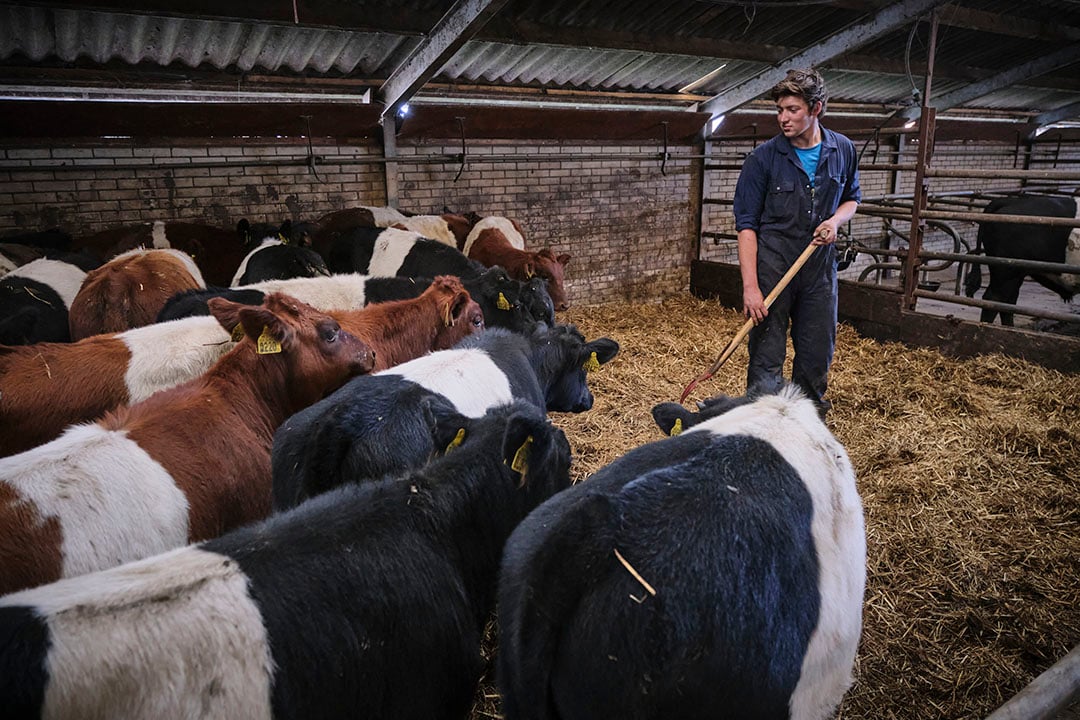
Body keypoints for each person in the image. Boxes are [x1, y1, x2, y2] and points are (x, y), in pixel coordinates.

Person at [732, 67, 860, 417]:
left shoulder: (843, 150)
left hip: (819, 272)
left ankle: (807, 424)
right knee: (766, 357)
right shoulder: (762, 159)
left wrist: (835, 221)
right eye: (779, 110)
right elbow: (746, 227)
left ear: (815, 109)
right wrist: (750, 288)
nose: (783, 118)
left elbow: (852, 198)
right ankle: (761, 427)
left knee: (817, 352)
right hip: (773, 269)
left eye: (792, 110)